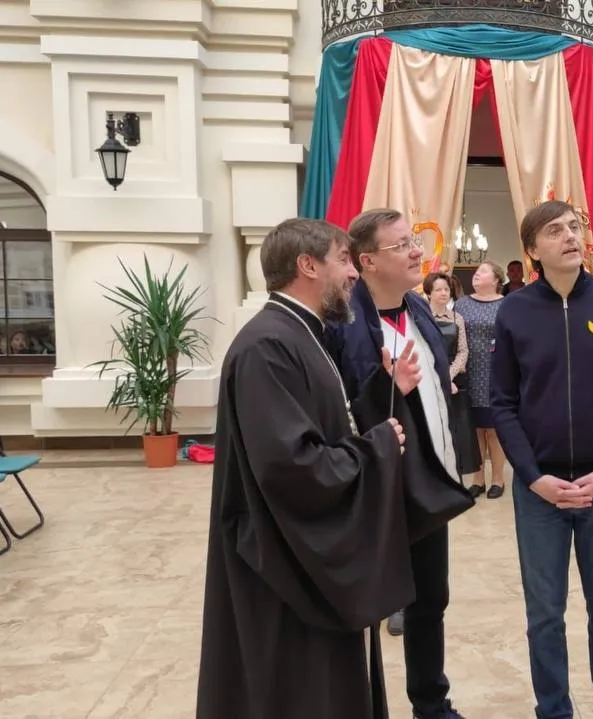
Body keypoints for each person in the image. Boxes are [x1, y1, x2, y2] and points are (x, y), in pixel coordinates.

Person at [197, 218, 422, 719]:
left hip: (298, 557)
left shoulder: (301, 334)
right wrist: (379, 448)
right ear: (307, 265)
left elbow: (325, 426)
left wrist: (381, 401)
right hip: (281, 566)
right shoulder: (268, 346)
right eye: (343, 259)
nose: (354, 273)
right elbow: (293, 465)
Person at [490, 200, 593, 719]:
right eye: (555, 230)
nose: (570, 236)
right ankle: (554, 710)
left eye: (575, 227)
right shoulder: (514, 311)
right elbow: (502, 403)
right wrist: (532, 477)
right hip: (540, 492)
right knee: (544, 616)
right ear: (533, 250)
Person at [330, 208, 474, 719]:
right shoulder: (343, 325)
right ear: (367, 261)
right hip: (372, 488)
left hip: (425, 482)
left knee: (430, 600)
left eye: (414, 241)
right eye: (402, 245)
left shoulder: (418, 309)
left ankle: (431, 705)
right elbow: (335, 411)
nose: (417, 252)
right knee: (361, 607)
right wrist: (383, 388)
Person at [453, 261, 507, 498]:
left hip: (496, 373)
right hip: (469, 372)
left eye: (482, 272)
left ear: (496, 280)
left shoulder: (506, 305)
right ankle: (478, 479)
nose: (476, 274)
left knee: (494, 430)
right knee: (474, 429)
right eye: (476, 272)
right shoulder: (462, 304)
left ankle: (498, 479)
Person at [424, 271, 482, 484]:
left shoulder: (457, 318)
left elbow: (463, 351)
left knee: (459, 430)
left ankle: (458, 479)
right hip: (429, 377)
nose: (443, 293)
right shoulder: (422, 317)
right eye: (438, 290)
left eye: (446, 289)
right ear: (428, 293)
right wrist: (439, 377)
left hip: (455, 378)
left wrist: (448, 376)